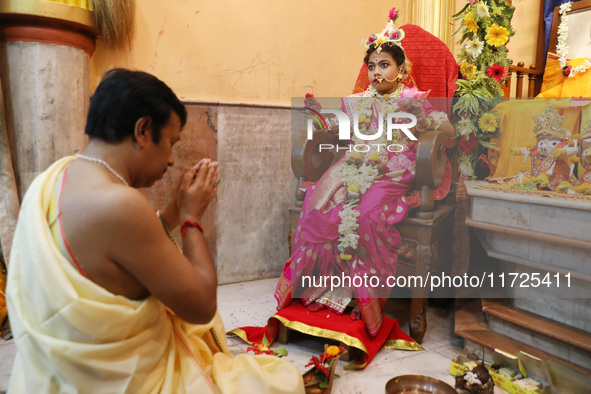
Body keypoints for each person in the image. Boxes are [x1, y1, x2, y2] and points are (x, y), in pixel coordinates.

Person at [6, 69, 304, 393]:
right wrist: (192, 218)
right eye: (172, 143)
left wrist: (173, 212)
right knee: (278, 382)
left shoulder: (52, 178)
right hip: (125, 382)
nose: (173, 160)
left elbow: (120, 259)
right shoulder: (120, 204)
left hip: (57, 376)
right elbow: (201, 306)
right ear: (144, 130)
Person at [274, 10, 454, 339]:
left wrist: (427, 120)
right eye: (371, 66)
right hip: (354, 164)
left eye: (384, 64)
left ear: (402, 70)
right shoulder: (357, 102)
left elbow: (448, 132)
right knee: (319, 201)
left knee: (365, 214)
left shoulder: (413, 101)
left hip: (395, 169)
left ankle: (363, 301)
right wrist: (319, 117)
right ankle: (320, 294)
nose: (375, 72)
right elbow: (337, 131)